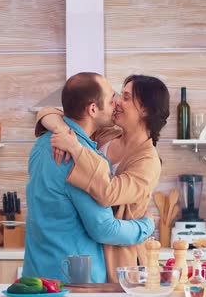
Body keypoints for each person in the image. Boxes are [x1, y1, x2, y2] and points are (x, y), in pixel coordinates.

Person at [22, 72, 155, 284]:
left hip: (35, 272)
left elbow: (49, 114)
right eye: (113, 98)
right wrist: (147, 225)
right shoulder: (81, 158)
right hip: (75, 278)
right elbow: (104, 228)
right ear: (93, 109)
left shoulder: (43, 143)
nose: (117, 103)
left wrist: (60, 127)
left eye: (124, 98)